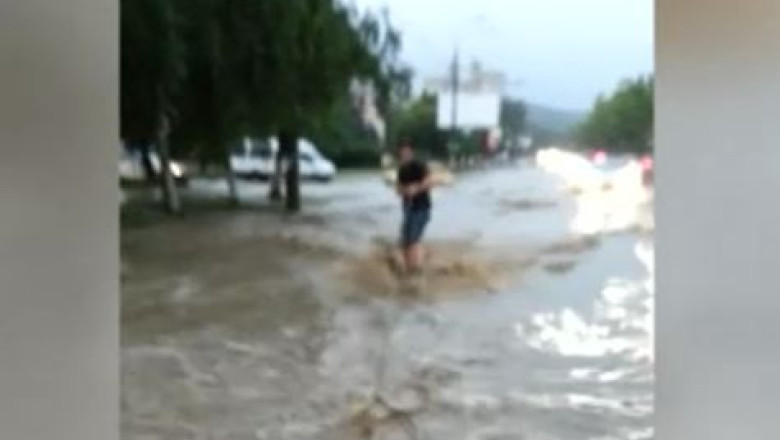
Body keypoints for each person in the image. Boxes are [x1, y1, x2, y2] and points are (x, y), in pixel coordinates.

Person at [395, 142, 433, 276]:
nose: (404, 155)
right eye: (401, 153)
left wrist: (416, 189)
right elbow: (398, 189)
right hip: (408, 210)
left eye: (406, 153)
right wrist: (404, 190)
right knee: (405, 242)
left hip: (421, 209)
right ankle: (409, 269)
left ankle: (416, 270)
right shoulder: (402, 170)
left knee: (413, 240)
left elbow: (429, 182)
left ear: (411, 153)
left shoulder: (419, 166)